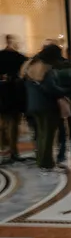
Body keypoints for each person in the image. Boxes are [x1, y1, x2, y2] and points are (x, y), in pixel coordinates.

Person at [23, 45, 67, 172]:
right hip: (47, 106)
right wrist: (66, 91)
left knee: (41, 134)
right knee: (48, 136)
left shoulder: (30, 65)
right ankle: (47, 163)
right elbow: (51, 88)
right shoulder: (45, 68)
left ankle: (41, 161)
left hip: (33, 104)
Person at [0, 35, 27, 163]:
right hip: (15, 97)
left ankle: (4, 150)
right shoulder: (21, 58)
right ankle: (12, 151)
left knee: (5, 124)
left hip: (4, 96)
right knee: (13, 125)